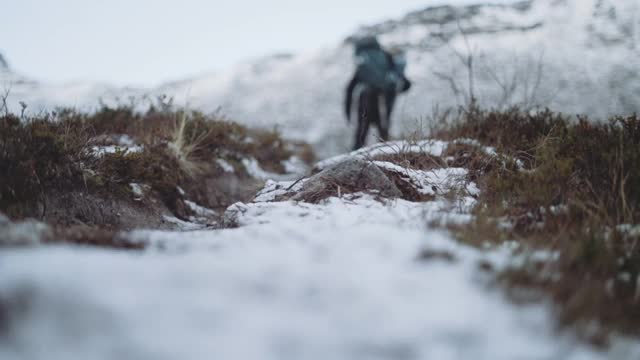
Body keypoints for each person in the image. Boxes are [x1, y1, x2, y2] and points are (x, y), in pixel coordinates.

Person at [344, 37, 411, 150]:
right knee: (383, 131)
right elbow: (405, 82)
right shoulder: (386, 56)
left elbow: (350, 88)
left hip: (365, 97)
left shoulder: (364, 64)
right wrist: (396, 90)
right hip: (383, 97)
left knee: (361, 132)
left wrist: (348, 112)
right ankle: (387, 156)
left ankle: (355, 157)